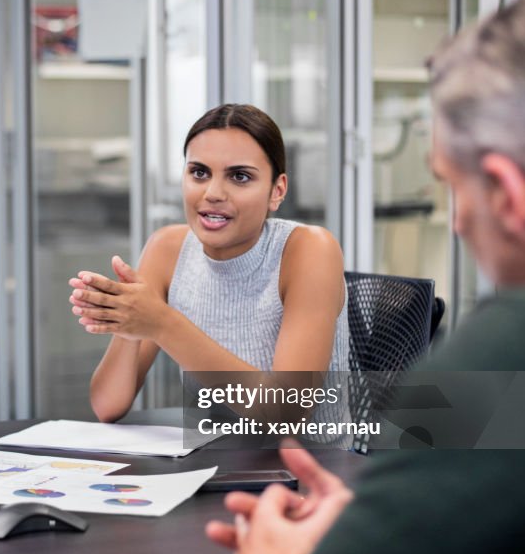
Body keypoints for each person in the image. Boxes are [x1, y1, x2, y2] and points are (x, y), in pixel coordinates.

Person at [206, 0, 525, 554]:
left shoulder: (517, 356)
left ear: (507, 191)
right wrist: (383, 526)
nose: (461, 222)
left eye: (452, 185)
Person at [69, 104, 349, 429]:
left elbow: (286, 414)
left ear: (277, 191)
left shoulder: (309, 249)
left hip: (305, 467)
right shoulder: (166, 248)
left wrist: (161, 323)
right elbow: (107, 406)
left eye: (240, 176)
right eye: (199, 172)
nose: (213, 193)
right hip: (212, 460)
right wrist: (128, 325)